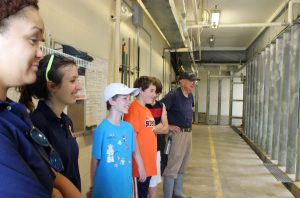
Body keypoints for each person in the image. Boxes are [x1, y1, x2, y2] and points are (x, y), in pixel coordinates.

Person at [0, 1, 81, 197]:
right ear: (52, 87)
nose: (39, 53)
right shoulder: (30, 121)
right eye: (32, 39)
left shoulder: (15, 114)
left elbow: (53, 175)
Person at [19, 54, 82, 191]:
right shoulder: (36, 125)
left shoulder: (66, 122)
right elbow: (47, 180)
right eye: (72, 81)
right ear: (52, 86)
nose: (79, 87)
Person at [89, 83, 146, 198]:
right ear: (111, 101)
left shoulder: (128, 128)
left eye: (129, 98)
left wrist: (141, 166)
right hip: (105, 189)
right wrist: (93, 186)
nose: (129, 101)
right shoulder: (102, 129)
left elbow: (135, 150)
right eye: (125, 98)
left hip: (125, 188)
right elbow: (94, 162)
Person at [161, 71, 199, 198]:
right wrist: (168, 126)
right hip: (176, 135)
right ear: (182, 81)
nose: (194, 83)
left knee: (183, 164)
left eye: (195, 81)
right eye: (191, 80)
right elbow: (159, 110)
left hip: (188, 134)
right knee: (172, 166)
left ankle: (177, 193)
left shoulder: (190, 96)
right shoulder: (173, 96)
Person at [124, 76, 157, 198]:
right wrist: (140, 165)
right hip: (139, 168)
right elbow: (132, 138)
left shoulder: (146, 110)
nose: (154, 94)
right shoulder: (134, 109)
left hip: (148, 165)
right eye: (151, 91)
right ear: (140, 90)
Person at [146, 77, 169, 198]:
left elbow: (166, 128)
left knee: (154, 179)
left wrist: (153, 129)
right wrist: (157, 127)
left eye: (157, 93)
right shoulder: (142, 106)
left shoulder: (161, 106)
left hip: (158, 147)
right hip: (144, 148)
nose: (154, 95)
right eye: (152, 92)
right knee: (144, 180)